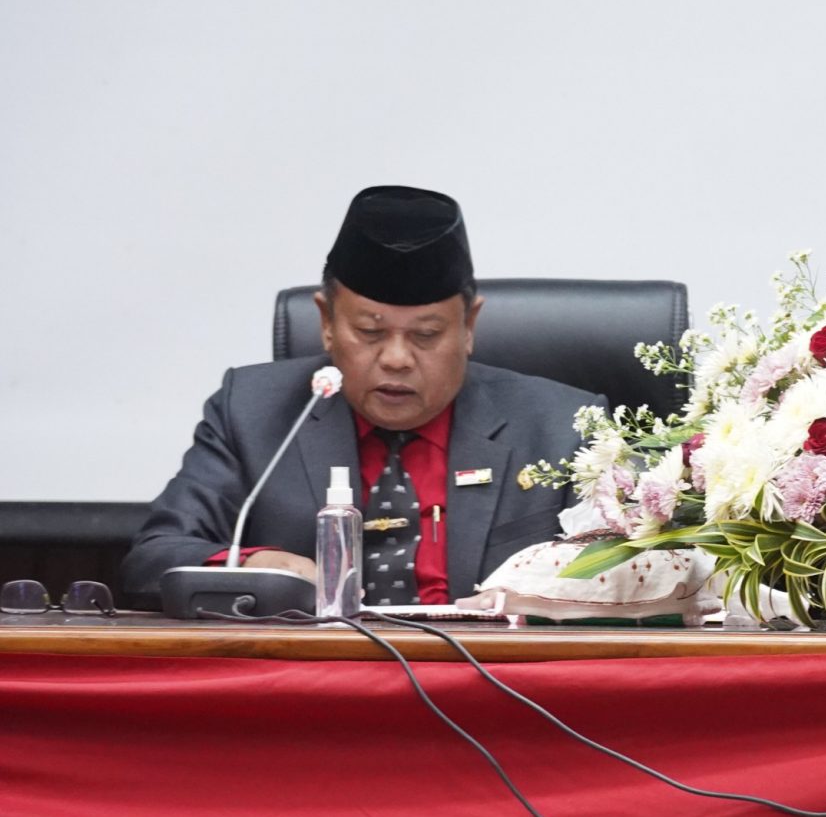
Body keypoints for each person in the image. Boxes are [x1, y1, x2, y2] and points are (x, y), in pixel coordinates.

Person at [122, 187, 595, 606]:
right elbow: (152, 558)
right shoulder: (250, 411)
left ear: (468, 327)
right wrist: (256, 563)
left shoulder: (562, 424)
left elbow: (626, 575)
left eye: (426, 335)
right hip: (313, 681)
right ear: (326, 322)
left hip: (492, 681)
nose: (396, 359)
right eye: (369, 332)